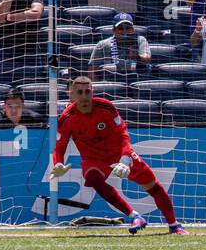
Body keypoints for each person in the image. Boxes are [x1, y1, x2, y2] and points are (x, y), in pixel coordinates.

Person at [50, 76, 186, 234]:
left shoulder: (106, 107)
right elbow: (59, 148)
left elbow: (123, 135)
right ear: (71, 94)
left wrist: (125, 158)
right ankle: (135, 216)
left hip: (120, 154)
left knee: (152, 186)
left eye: (87, 91)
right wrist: (58, 163)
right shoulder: (66, 118)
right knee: (93, 178)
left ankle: (174, 225)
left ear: (92, 91)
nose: (84, 96)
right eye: (79, 92)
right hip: (94, 159)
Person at [90, 13, 151, 78]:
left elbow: (147, 58)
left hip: (137, 78)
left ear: (132, 29)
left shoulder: (140, 40)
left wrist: (137, 57)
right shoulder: (102, 44)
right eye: (120, 28)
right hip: (112, 81)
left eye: (128, 28)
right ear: (114, 30)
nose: (124, 31)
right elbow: (92, 69)